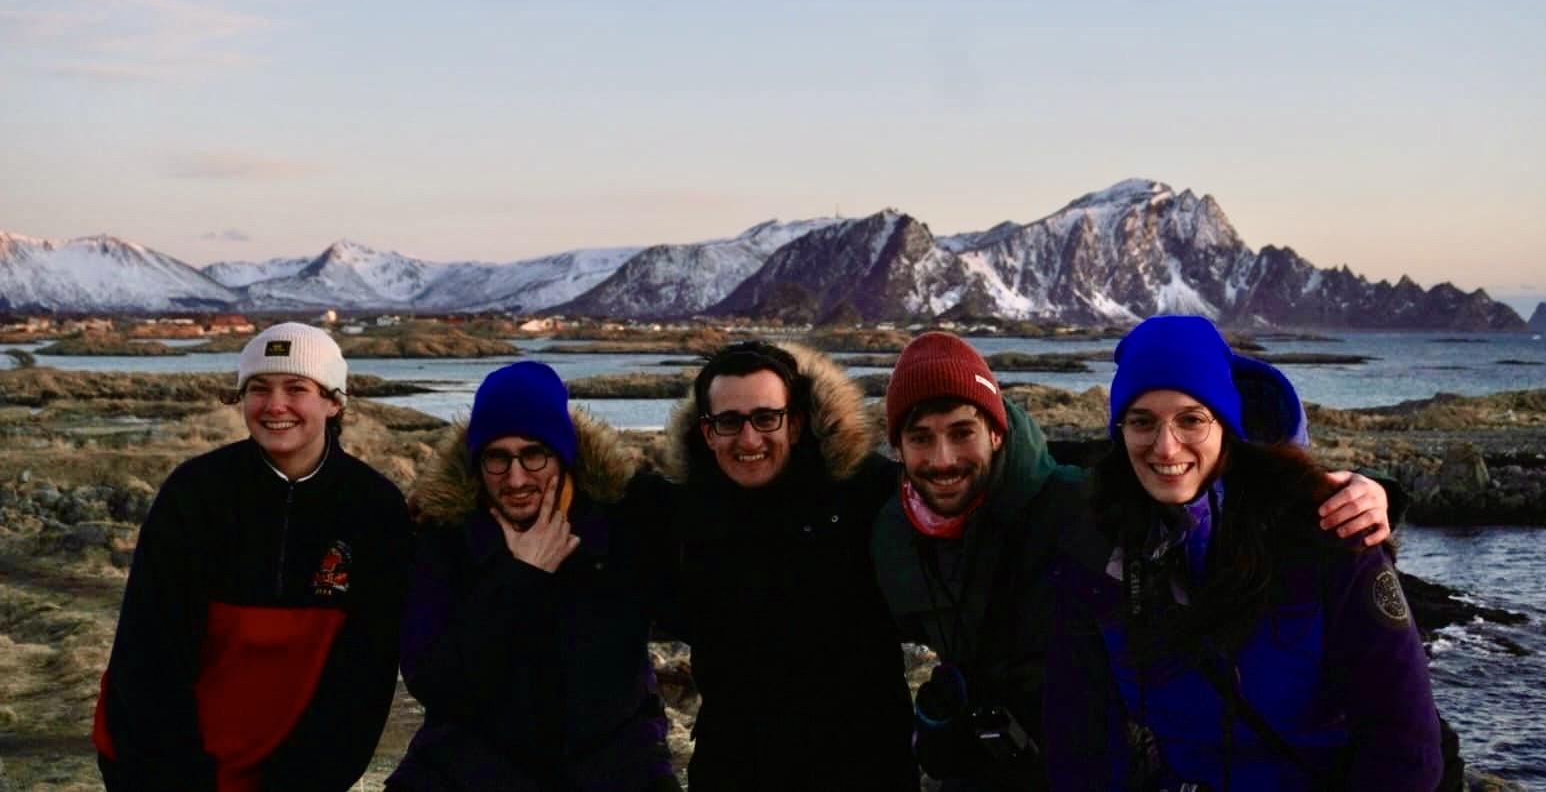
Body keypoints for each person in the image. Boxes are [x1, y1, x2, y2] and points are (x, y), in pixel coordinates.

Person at [872, 331, 1394, 791]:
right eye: (920, 438)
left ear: (996, 431)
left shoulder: (1079, 508)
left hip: (1085, 757)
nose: (942, 459)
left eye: (962, 432)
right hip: (990, 762)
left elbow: (1187, 486)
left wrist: (1368, 494)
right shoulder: (884, 528)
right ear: (897, 445)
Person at [1043, 315, 1443, 790]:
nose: (1165, 447)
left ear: (1227, 426)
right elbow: (1080, 742)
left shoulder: (1326, 537)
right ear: (1120, 431)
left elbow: (1403, 742)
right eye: (1141, 421)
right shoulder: (1096, 553)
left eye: (1191, 419)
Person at [94, 322, 411, 792]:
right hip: (161, 762)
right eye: (258, 388)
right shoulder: (194, 493)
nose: (275, 405)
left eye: (296, 388)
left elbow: (364, 679)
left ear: (334, 401)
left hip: (293, 771)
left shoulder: (374, 508)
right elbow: (148, 657)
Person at [387, 360, 679, 792]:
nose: (516, 478)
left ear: (562, 454)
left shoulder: (626, 518)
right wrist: (519, 576)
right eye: (497, 458)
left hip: (614, 769)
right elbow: (436, 681)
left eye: (534, 455)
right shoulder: (445, 536)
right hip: (469, 770)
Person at [662, 340, 918, 791]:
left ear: (796, 423)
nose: (748, 439)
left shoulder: (868, 493)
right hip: (733, 767)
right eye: (728, 422)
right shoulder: (684, 513)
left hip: (861, 767)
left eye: (766, 418)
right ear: (707, 432)